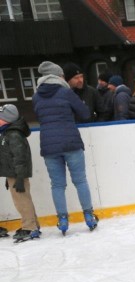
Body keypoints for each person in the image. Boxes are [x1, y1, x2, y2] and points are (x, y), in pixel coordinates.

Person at [32, 61, 99, 235]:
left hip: (48, 145)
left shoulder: (36, 96)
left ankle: (62, 219)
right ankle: (89, 216)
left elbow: (39, 114)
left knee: (57, 185)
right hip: (70, 142)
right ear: (58, 76)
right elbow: (84, 113)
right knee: (80, 181)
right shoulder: (65, 92)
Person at [0, 104, 41, 242]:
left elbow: (20, 158)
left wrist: (19, 177)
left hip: (18, 174)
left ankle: (29, 227)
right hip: (14, 173)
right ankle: (33, 224)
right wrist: (9, 175)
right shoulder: (8, 132)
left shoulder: (14, 134)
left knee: (22, 201)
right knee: (23, 200)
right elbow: (9, 157)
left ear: (7, 119)